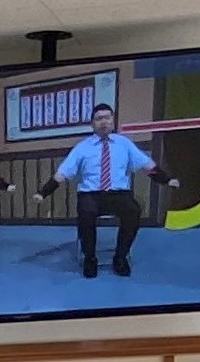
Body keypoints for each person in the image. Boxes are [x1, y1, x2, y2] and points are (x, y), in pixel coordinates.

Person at [54, 104, 154, 280]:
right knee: (86, 213)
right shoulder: (82, 147)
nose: (103, 122)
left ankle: (120, 257)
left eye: (107, 118)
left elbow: (147, 164)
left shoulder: (124, 143)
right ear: (92, 123)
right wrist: (44, 192)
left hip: (119, 194)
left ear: (113, 121)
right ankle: (90, 258)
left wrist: (167, 179)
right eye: (99, 118)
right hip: (91, 194)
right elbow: (63, 172)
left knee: (133, 210)